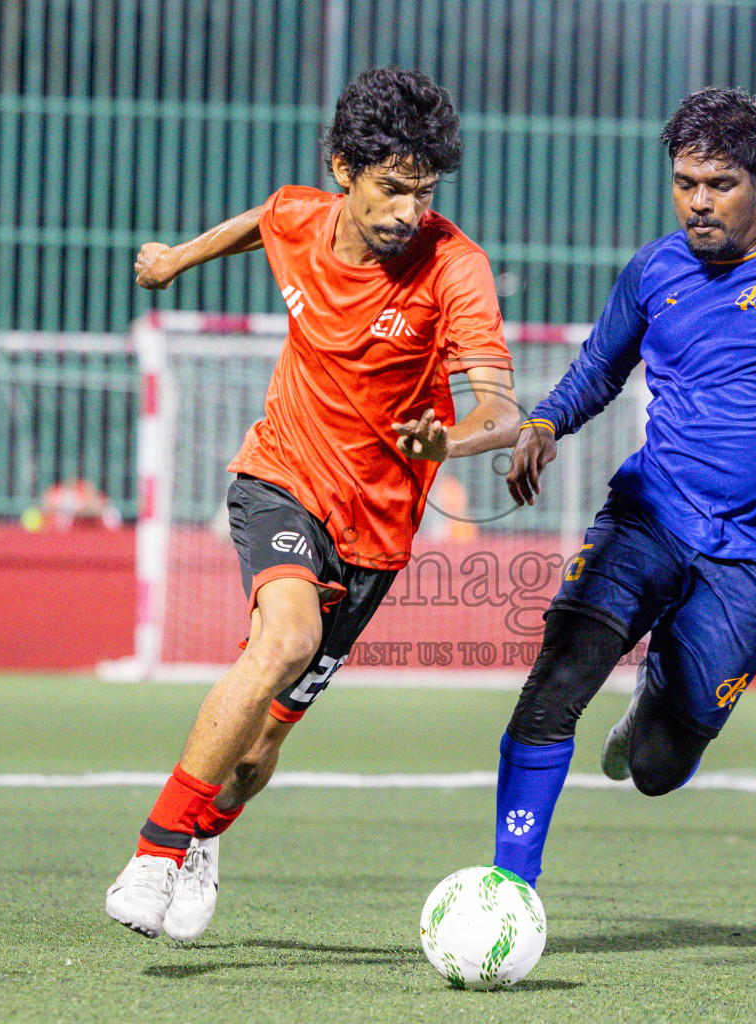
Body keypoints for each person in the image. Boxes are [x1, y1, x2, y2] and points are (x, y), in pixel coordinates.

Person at [105, 68, 520, 941]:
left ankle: (206, 839)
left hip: (376, 533)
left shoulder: (456, 267)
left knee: (260, 749)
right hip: (280, 476)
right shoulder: (302, 215)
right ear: (344, 168)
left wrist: (450, 441)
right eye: (392, 189)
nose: (410, 210)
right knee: (284, 640)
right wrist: (176, 259)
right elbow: (264, 222)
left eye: (425, 191)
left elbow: (500, 409)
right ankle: (154, 850)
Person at [490, 87, 756, 890]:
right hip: (650, 513)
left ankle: (659, 694)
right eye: (685, 182)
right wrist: (545, 423)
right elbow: (601, 367)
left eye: (718, 184)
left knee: (658, 767)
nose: (698, 202)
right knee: (555, 683)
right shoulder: (655, 268)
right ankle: (509, 889)